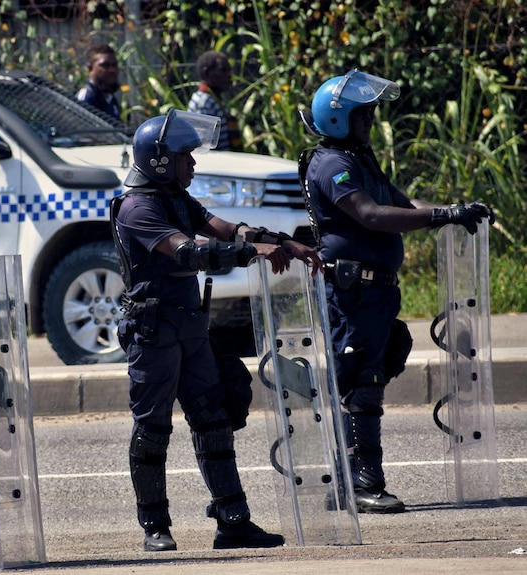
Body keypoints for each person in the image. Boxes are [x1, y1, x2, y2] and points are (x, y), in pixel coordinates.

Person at [110, 109, 321, 552]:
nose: (193, 164)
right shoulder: (137, 206)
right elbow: (187, 252)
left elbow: (225, 228)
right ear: (162, 160)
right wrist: (248, 252)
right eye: (186, 156)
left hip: (189, 328)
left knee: (214, 422)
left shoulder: (176, 198)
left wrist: (282, 242)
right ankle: (155, 527)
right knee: (152, 429)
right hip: (153, 333)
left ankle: (233, 521)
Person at [299, 69, 495, 513]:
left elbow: (404, 206)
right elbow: (369, 214)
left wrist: (452, 212)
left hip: (376, 293)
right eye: (363, 117)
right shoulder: (332, 164)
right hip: (353, 295)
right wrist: (437, 216)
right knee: (361, 384)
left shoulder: (360, 159)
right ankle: (363, 484)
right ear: (338, 120)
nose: (370, 124)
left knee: (377, 367)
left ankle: (348, 482)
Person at [187, 51, 241, 151]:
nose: (229, 75)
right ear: (207, 73)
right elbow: (203, 147)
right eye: (223, 70)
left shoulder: (213, 99)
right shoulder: (204, 103)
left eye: (229, 70)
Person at [76, 43, 122, 120]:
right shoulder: (86, 99)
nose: (112, 70)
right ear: (90, 68)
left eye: (114, 65)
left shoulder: (110, 99)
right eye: (105, 65)